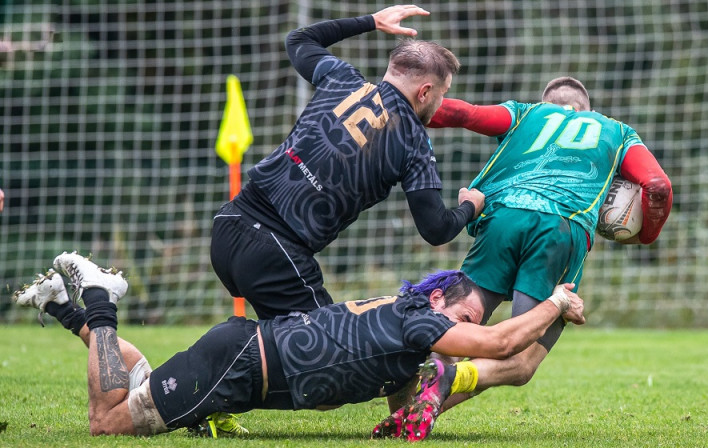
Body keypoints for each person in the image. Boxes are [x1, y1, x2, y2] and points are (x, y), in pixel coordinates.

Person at [375, 76, 673, 440]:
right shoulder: (619, 132)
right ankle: (451, 379)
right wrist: (645, 235)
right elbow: (658, 187)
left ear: (547, 103)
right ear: (588, 110)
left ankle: (406, 411)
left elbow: (463, 114)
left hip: (501, 219)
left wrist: (386, 108)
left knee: (456, 325)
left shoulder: (526, 113)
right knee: (522, 359)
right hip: (560, 228)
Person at [11, 252, 585, 437]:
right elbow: (502, 342)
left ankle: (62, 306)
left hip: (239, 362)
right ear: (439, 304)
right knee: (107, 421)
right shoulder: (421, 323)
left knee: (141, 379)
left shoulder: (409, 332)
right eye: (463, 318)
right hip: (237, 366)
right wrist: (555, 303)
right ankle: (101, 294)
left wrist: (420, 407)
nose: (461, 337)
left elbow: (406, 414)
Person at [210, 5, 485, 321]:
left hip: (228, 224)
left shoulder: (341, 78)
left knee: (279, 348)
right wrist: (470, 207)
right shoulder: (413, 141)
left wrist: (371, 21)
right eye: (441, 94)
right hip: (275, 252)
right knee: (327, 352)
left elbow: (299, 39)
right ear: (425, 92)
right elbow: (436, 229)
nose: (438, 105)